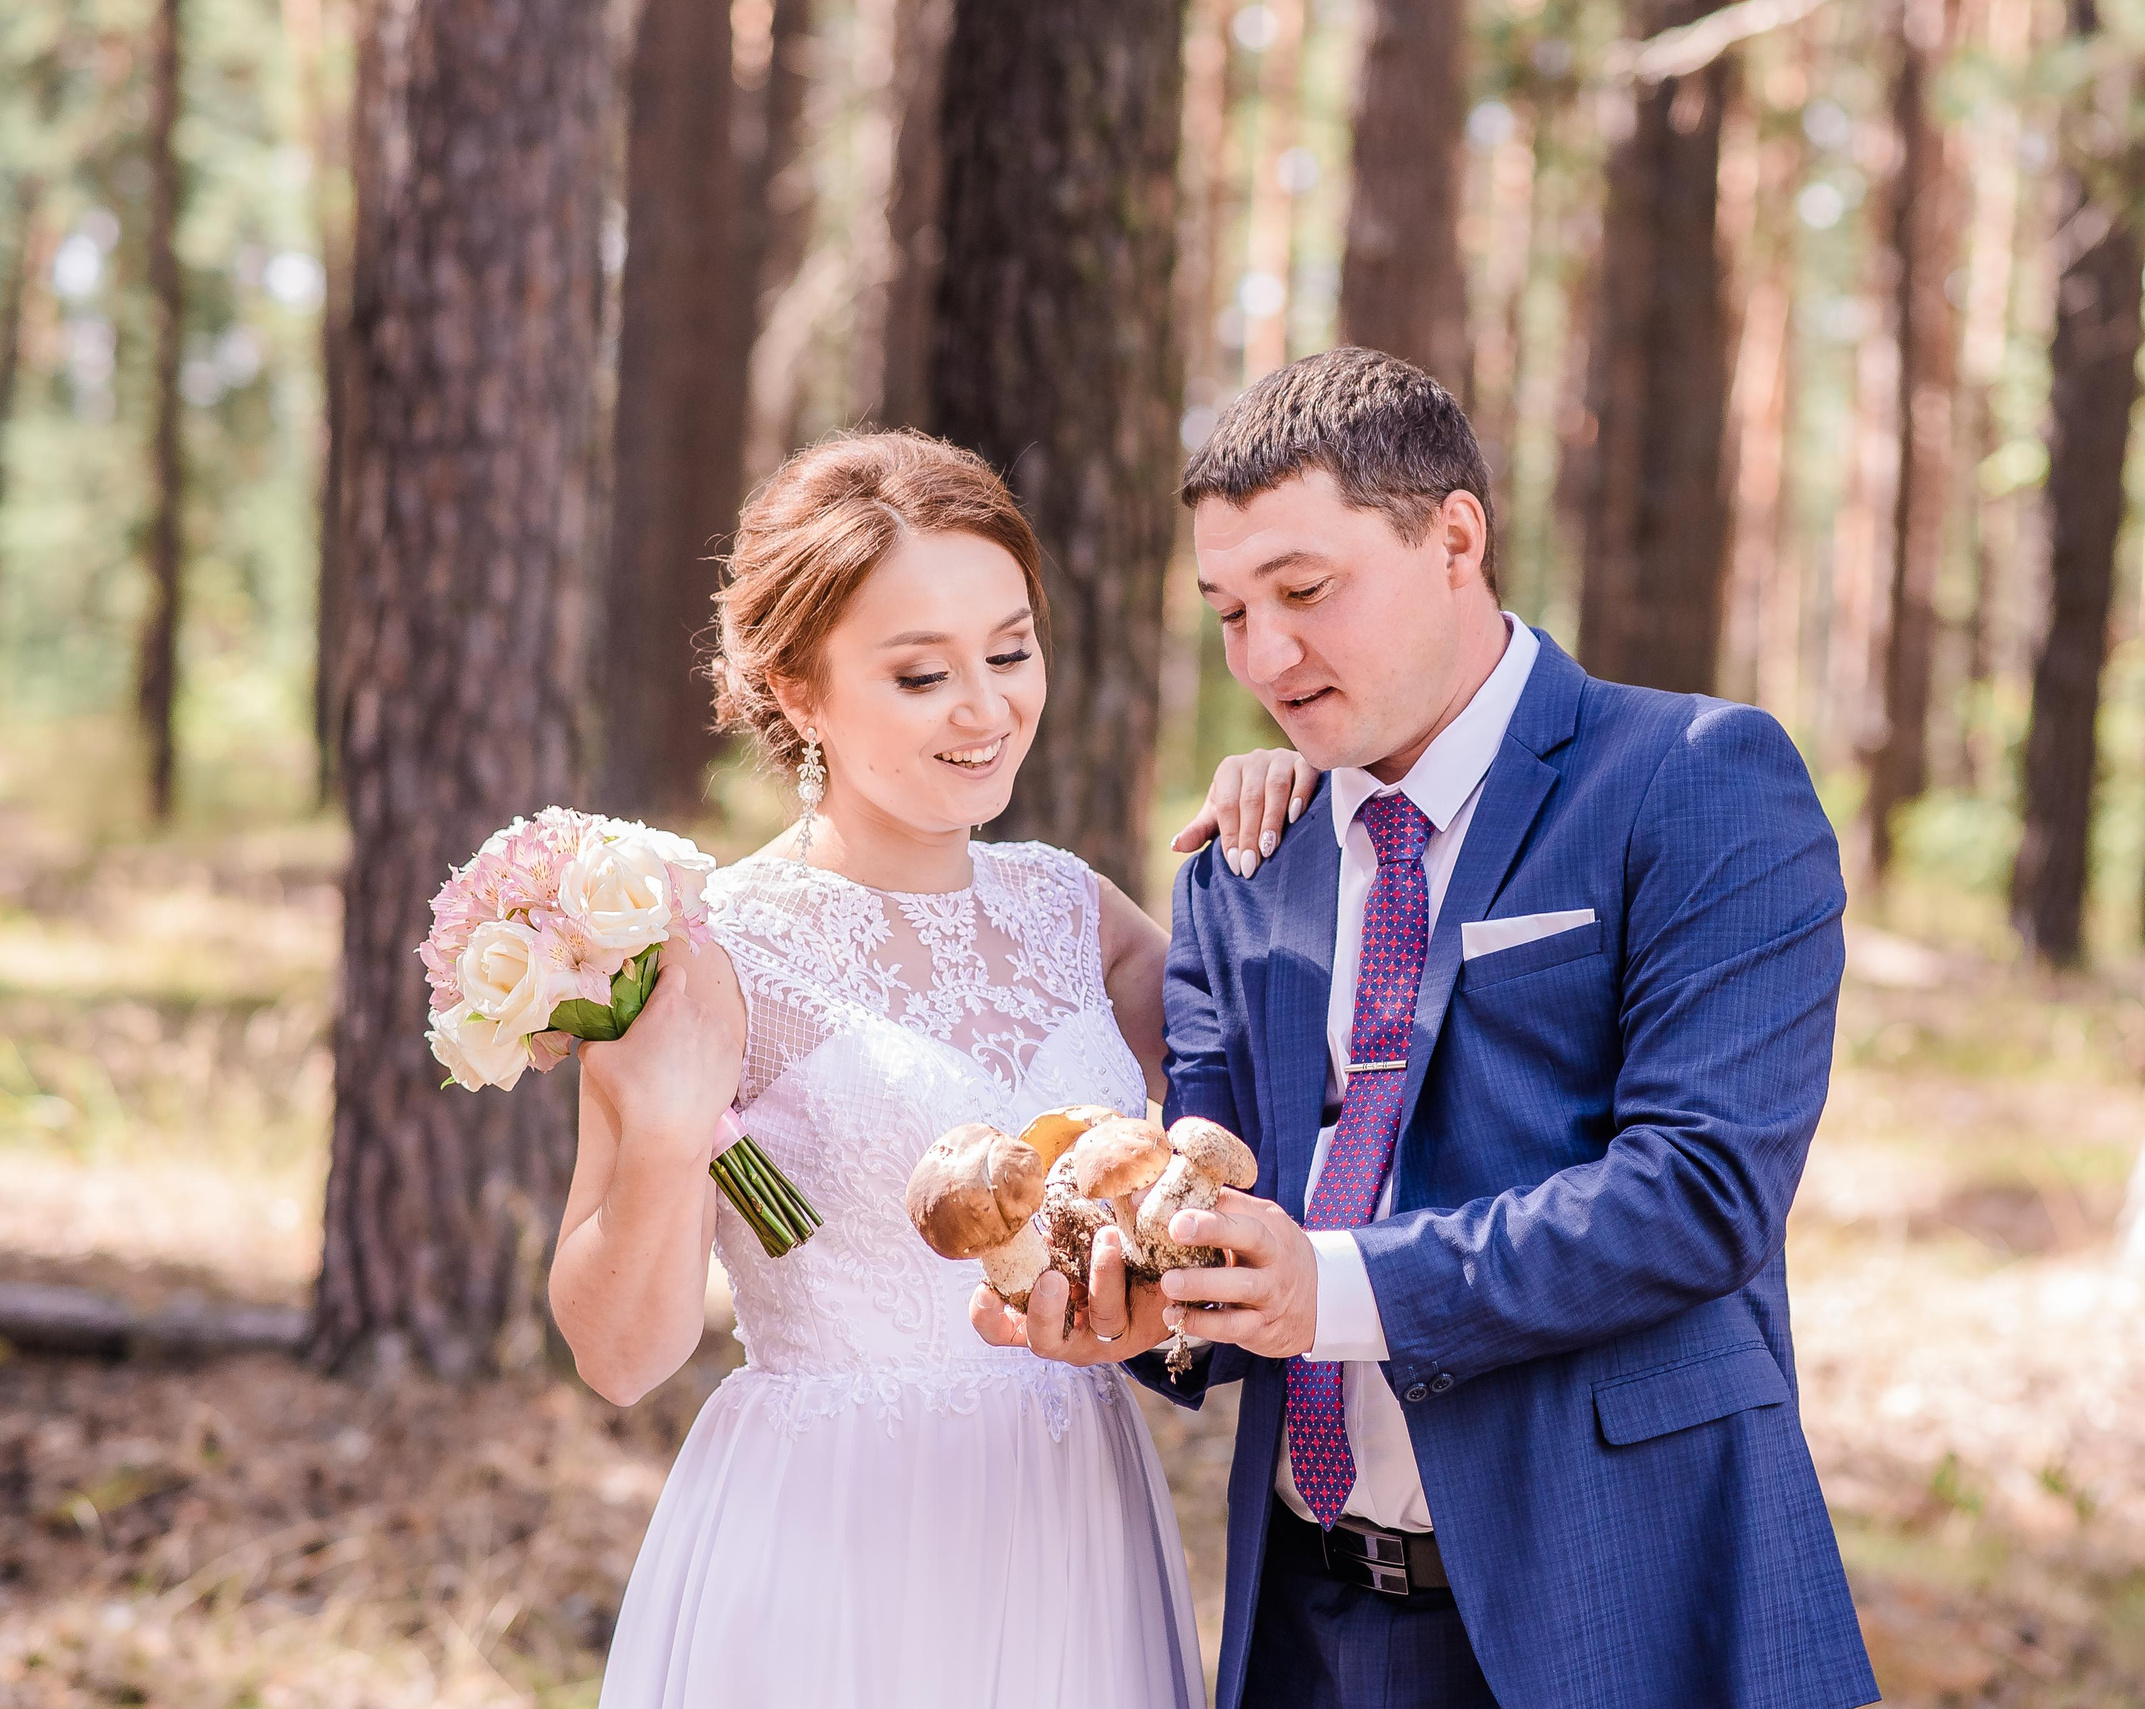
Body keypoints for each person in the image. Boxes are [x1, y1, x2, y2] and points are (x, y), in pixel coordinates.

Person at [978, 348, 1880, 1709]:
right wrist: (1139, 1305)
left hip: (1619, 1605)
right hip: (1307, 1626)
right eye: (1228, 612)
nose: (1265, 657)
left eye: (1306, 590)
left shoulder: (1693, 781)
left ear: (1456, 535)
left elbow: (1700, 1196)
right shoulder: (1241, 867)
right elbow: (1221, 1203)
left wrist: (1333, 1289)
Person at [554, 429, 1310, 1708]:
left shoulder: (1078, 911)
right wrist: (672, 1136)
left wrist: (1300, 810)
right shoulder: (704, 952)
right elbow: (622, 1356)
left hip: (1070, 1500)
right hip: (836, 1532)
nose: (987, 707)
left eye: (1010, 652)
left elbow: (1281, 1082)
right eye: (920, 674)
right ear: (796, 689)